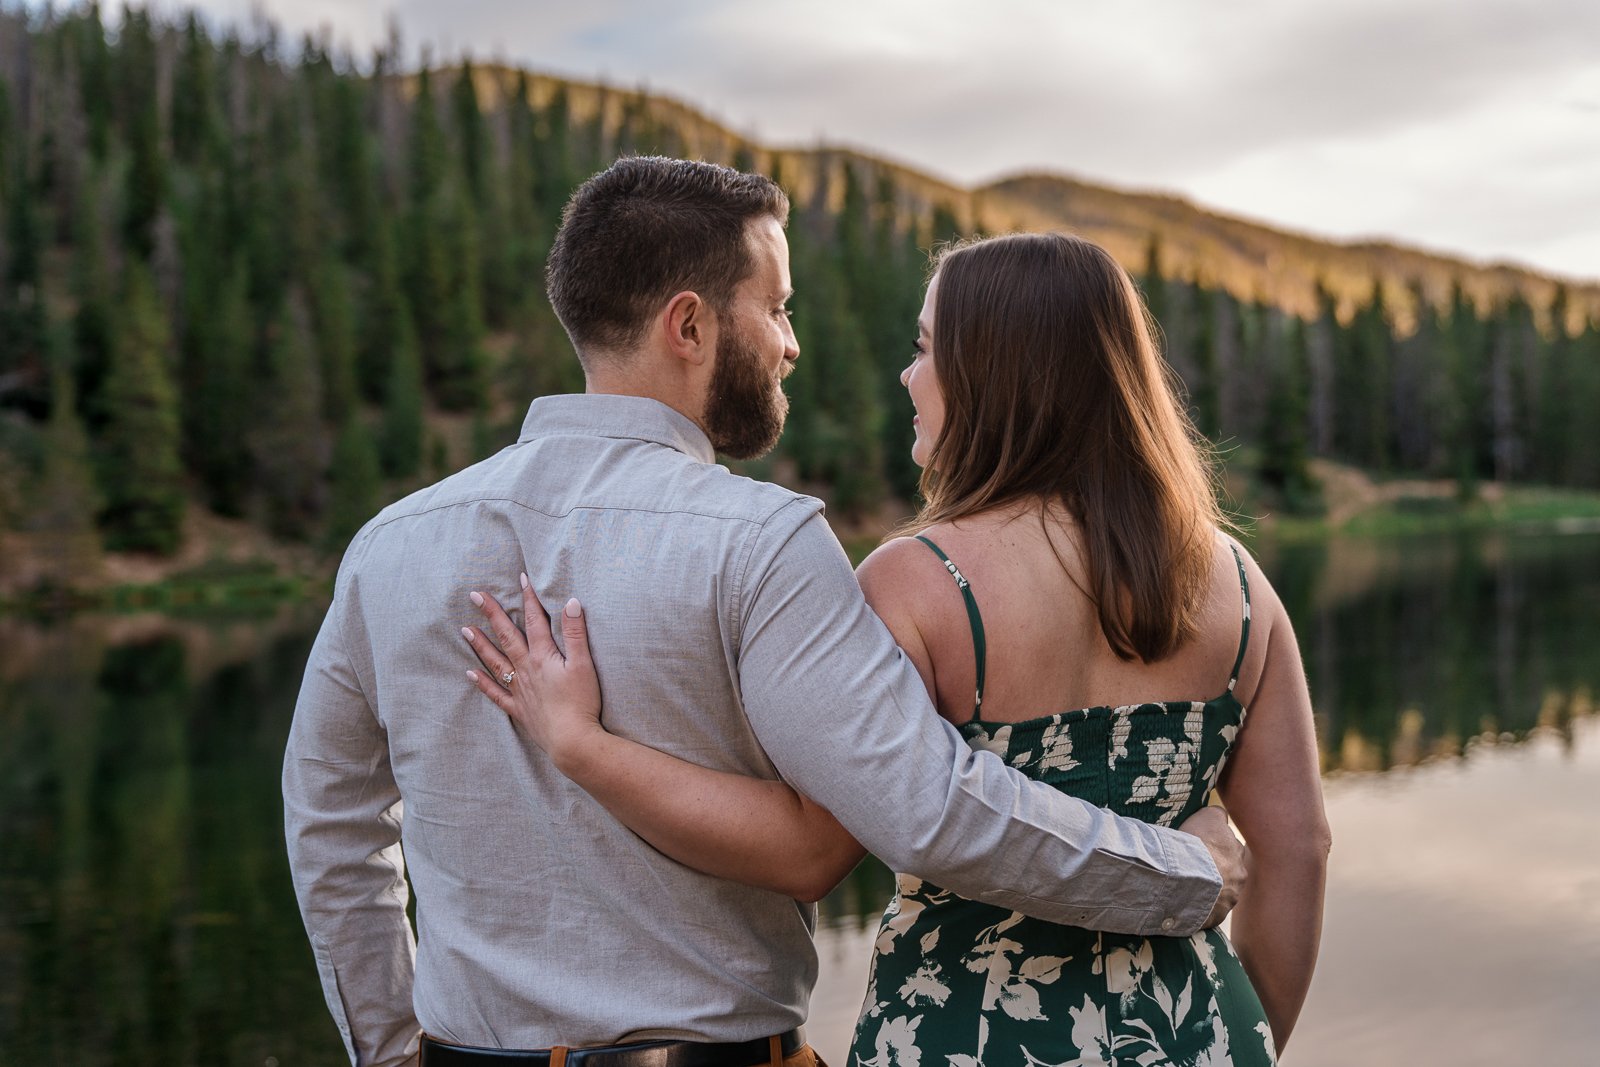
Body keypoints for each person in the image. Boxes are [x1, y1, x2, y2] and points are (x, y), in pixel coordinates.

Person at [284, 157, 1245, 1067]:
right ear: (690, 326)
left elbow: (330, 816)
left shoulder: (391, 546)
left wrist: (387, 1044)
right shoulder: (762, 541)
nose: (791, 342)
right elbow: (931, 809)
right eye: (776, 307)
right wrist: (1186, 874)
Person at [466, 230, 1330, 1064]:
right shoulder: (1238, 582)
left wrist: (587, 747)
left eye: (924, 349)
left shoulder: (917, 584)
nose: (908, 375)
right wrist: (1239, 1038)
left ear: (996, 375)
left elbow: (812, 845)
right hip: (1192, 1034)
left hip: (961, 1037)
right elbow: (1299, 848)